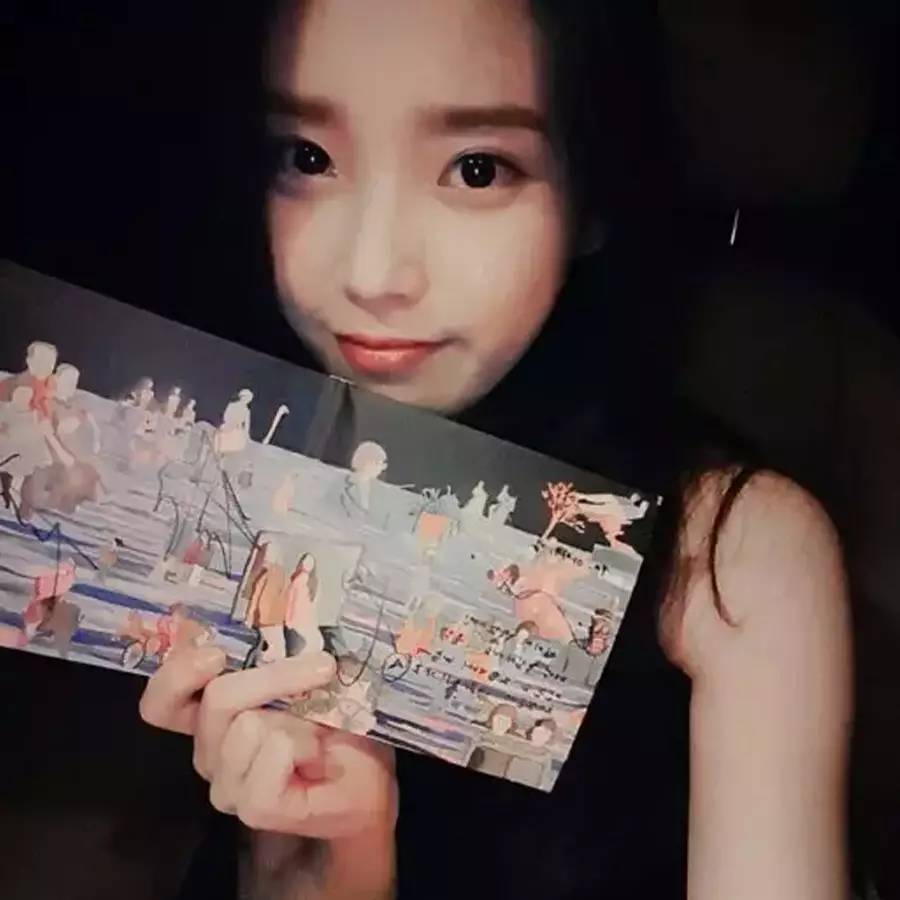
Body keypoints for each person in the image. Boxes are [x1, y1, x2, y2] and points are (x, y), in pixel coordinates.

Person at [136, 2, 852, 899]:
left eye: (478, 168)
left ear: (592, 198)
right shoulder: (223, 473)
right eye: (306, 157)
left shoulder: (732, 558)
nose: (372, 274)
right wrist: (318, 863)